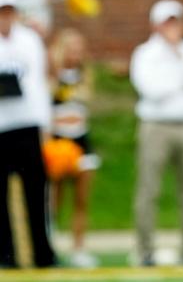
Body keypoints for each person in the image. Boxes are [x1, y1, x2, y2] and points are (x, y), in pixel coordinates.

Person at [131, 0, 183, 266]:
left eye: (176, 22)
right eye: (167, 22)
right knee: (148, 190)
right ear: (156, 25)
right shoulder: (144, 53)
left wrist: (176, 60)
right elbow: (150, 90)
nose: (172, 28)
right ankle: (145, 251)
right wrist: (180, 81)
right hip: (156, 126)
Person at [0, 0, 55, 268]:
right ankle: (6, 255)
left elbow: (38, 84)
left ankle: (42, 253)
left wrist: (45, 124)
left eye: (9, 11)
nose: (5, 17)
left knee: (36, 192)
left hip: (27, 124)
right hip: (1, 126)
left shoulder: (30, 40)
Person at [49, 28, 100, 268]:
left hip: (81, 141)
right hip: (58, 142)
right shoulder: (51, 76)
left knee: (81, 200)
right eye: (70, 48)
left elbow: (84, 106)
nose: (75, 53)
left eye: (79, 49)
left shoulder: (85, 75)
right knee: (54, 199)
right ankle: (49, 244)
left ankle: (79, 248)